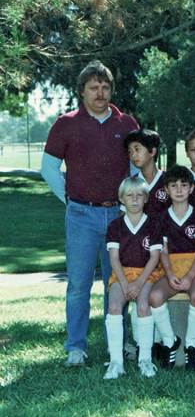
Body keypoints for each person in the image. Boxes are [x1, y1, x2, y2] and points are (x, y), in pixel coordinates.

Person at [41, 60, 139, 366]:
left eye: (105, 87)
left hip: (119, 218)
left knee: (118, 283)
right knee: (79, 285)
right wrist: (70, 200)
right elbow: (48, 169)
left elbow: (137, 169)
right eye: (93, 87)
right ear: (82, 91)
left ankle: (120, 344)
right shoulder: (66, 123)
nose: (100, 93)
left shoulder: (127, 124)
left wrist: (130, 203)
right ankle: (76, 348)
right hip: (81, 216)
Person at [148, 165, 195, 371]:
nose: (179, 189)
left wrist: (190, 276)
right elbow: (163, 252)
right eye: (174, 185)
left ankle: (191, 346)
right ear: (166, 190)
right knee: (155, 296)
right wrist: (170, 274)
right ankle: (169, 341)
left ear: (191, 188)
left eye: (184, 185)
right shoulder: (162, 217)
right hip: (172, 269)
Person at [103, 176, 162, 379]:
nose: (135, 199)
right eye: (130, 195)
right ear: (121, 199)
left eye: (139, 195)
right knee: (113, 306)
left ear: (146, 198)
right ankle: (116, 362)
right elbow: (114, 258)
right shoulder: (115, 226)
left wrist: (138, 283)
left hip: (147, 274)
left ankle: (145, 359)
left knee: (144, 306)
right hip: (122, 274)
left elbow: (155, 257)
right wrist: (126, 283)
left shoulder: (153, 224)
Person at [125, 129, 169, 218]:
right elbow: (124, 215)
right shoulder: (130, 183)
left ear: (152, 152)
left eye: (137, 149)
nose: (133, 155)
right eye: (130, 152)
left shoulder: (169, 180)